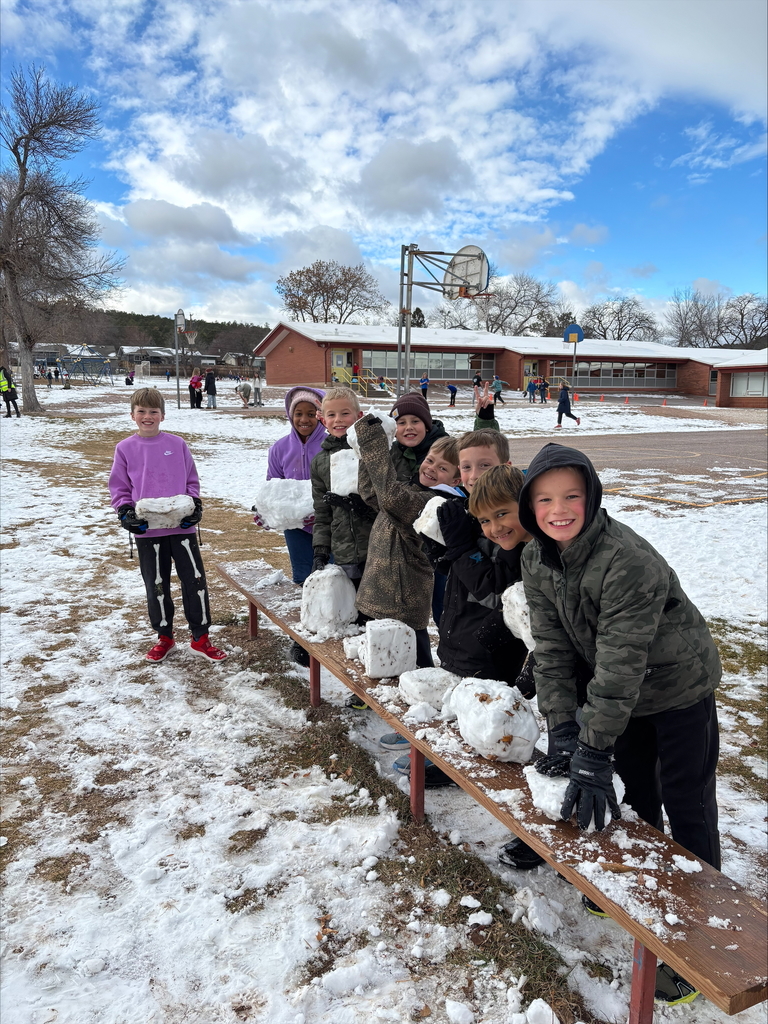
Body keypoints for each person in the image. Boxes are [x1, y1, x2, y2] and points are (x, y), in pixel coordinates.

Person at [517, 442, 721, 1006]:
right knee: (633, 796)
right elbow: (553, 649)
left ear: (592, 496)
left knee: (686, 800)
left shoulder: (625, 560)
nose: (559, 510)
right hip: (619, 695)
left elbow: (621, 661)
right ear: (529, 506)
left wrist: (593, 745)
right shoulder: (537, 559)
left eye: (572, 497)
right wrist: (562, 728)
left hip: (678, 690)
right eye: (545, 500)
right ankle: (638, 892)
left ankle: (696, 940)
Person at [108, 387, 227, 664]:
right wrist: (125, 512)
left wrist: (195, 505)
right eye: (142, 411)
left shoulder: (177, 444)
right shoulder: (125, 449)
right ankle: (164, 636)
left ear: (162, 415)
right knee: (157, 584)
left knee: (195, 582)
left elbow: (191, 480)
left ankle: (200, 638)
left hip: (182, 528)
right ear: (132, 414)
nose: (147, 416)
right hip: (148, 531)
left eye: (153, 411)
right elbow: (120, 487)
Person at [356, 422, 461, 672]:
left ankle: (424, 690)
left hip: (403, 593)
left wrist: (374, 442)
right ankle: (377, 687)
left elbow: (391, 499)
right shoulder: (413, 489)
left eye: (442, 468)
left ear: (456, 478)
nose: (432, 469)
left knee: (412, 648)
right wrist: (364, 454)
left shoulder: (436, 504)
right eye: (430, 460)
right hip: (385, 584)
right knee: (382, 646)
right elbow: (372, 494)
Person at [310, 386, 372, 592]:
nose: (338, 420)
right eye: (332, 415)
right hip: (343, 550)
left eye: (345, 413)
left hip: (375, 548)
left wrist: (364, 506)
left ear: (359, 416)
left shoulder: (371, 453)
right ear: (323, 420)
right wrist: (320, 550)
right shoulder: (320, 462)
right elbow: (322, 512)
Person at [266, 388, 327, 586]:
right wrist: (267, 510)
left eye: (311, 414)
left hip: (329, 525)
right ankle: (304, 612)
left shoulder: (331, 445)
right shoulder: (280, 448)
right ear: (290, 414)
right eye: (298, 413)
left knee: (331, 575)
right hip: (295, 526)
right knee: (302, 576)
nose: (304, 419)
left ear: (321, 415)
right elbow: (273, 485)